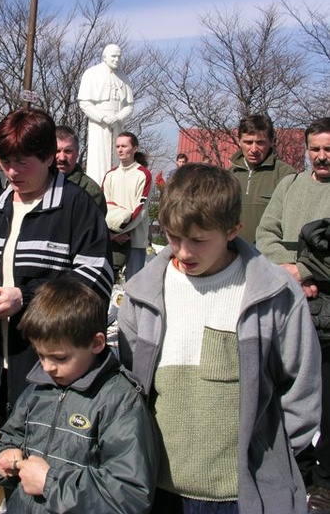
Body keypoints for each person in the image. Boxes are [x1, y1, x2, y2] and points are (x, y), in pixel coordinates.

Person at [118, 163, 321, 514]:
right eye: (172, 236)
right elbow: (126, 387)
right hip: (154, 490)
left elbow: (301, 389)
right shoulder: (142, 294)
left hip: (243, 496)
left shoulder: (275, 293)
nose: (183, 252)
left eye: (198, 240)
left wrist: (272, 457)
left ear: (233, 230)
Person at [0, 107, 114, 429]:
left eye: (23, 162)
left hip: (54, 370)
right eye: (5, 161)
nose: (12, 172)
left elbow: (94, 279)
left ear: (49, 158)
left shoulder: (76, 206)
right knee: (4, 450)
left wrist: (24, 298)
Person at [0, 277, 159, 513]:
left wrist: (50, 483)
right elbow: (9, 438)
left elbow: (129, 496)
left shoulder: (119, 401)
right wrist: (2, 457)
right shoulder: (39, 388)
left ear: (96, 343)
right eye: (40, 355)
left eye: (60, 358)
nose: (47, 367)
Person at [256, 117, 330, 512]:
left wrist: (303, 271)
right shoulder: (290, 185)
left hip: (326, 310)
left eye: (328, 149)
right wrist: (291, 271)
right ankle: (292, 469)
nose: (321, 156)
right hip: (286, 305)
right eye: (315, 148)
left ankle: (324, 483)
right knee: (285, 391)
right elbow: (266, 234)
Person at [229, 114, 295, 243]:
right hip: (232, 251)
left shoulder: (286, 175)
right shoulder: (228, 175)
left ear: (271, 142)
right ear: (239, 141)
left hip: (269, 254)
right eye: (248, 142)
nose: (254, 149)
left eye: (260, 142)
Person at [78, 44, 134, 185]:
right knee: (99, 160)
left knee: (117, 157)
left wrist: (119, 117)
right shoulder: (91, 73)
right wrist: (103, 117)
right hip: (99, 124)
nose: (117, 59)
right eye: (113, 56)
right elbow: (84, 103)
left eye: (119, 56)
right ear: (104, 57)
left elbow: (129, 106)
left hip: (118, 124)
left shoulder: (123, 77)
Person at [102, 132, 152, 281]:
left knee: (133, 285)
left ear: (135, 148)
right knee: (107, 281)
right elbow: (102, 206)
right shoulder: (110, 174)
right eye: (117, 146)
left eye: (124, 146)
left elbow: (140, 211)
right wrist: (112, 235)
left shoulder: (143, 175)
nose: (120, 150)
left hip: (135, 239)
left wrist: (118, 232)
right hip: (113, 240)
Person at [55, 125, 107, 216]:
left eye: (68, 151)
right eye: (57, 151)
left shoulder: (90, 191)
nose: (62, 158)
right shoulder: (37, 184)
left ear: (77, 152)